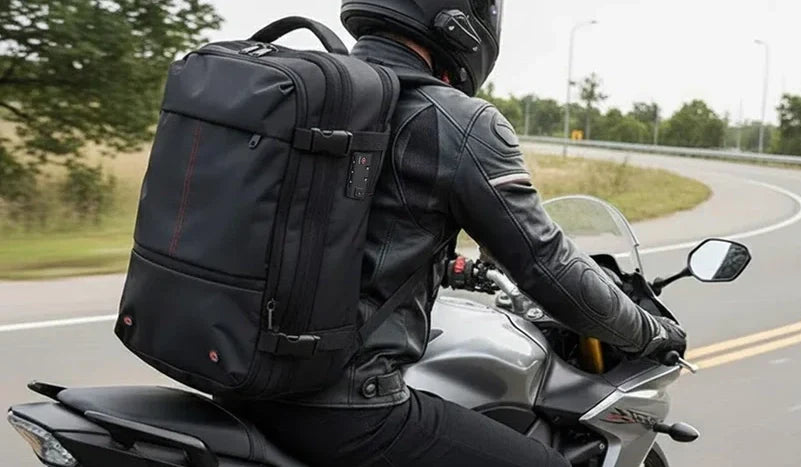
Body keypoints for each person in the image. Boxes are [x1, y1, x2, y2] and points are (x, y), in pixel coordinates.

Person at [221, 1, 687, 466]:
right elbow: (545, 263)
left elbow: (335, 231)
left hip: (235, 376)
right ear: (460, 17)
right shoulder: (456, 121)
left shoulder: (318, 97)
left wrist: (450, 265)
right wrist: (648, 333)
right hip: (344, 407)